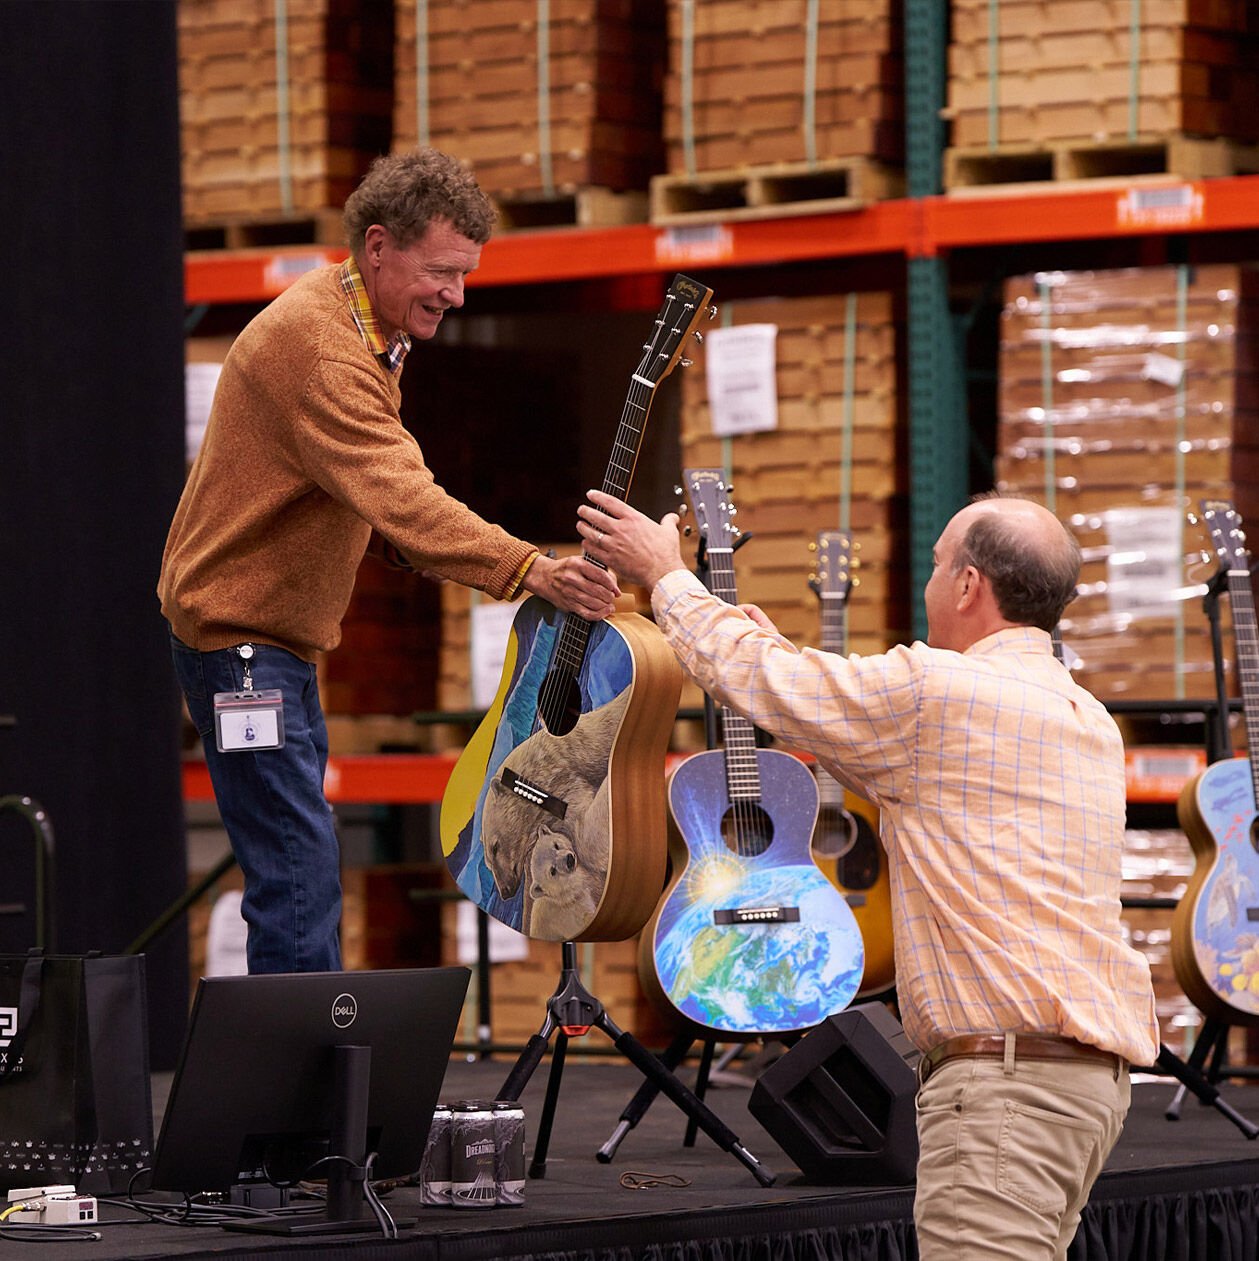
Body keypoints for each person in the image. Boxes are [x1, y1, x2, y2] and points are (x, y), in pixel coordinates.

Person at [577, 488, 1159, 1261]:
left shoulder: (935, 694)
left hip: (1002, 1090)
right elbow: (856, 730)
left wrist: (666, 575)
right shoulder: (1084, 717)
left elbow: (769, 681)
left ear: (966, 585)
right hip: (1084, 1085)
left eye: (934, 565)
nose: (927, 586)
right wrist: (783, 667)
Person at [158, 148, 619, 975]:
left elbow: (371, 501)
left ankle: (312, 1082)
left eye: (465, 273)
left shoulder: (365, 329)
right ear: (378, 247)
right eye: (441, 271)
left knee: (296, 867)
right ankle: (303, 1094)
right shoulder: (323, 349)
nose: (456, 293)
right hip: (241, 646)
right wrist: (532, 569)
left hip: (269, 642)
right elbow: (400, 493)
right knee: (296, 877)